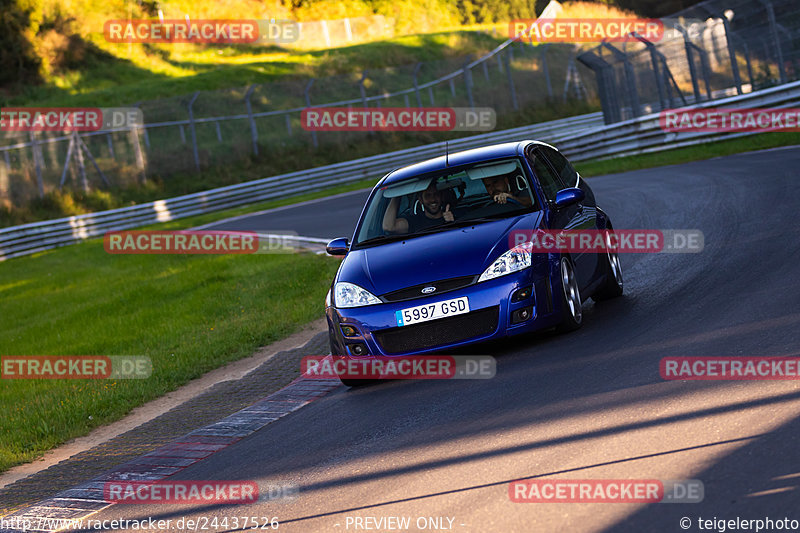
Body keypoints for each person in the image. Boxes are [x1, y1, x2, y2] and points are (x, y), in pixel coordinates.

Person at [382, 181, 454, 234]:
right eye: (428, 195)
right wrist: (397, 194)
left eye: (436, 194)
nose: (433, 199)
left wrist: (452, 224)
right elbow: (388, 227)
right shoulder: (415, 221)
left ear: (441, 197)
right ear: (420, 200)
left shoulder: (456, 216)